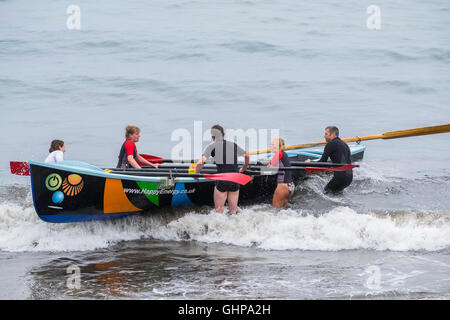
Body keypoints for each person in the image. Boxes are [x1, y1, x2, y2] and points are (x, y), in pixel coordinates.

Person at [195, 124, 250, 214]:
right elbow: (247, 156)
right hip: (235, 179)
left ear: (212, 137)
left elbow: (200, 162)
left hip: (223, 179)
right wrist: (244, 167)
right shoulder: (233, 145)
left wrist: (196, 175)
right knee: (233, 213)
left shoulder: (212, 147)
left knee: (219, 213)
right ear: (223, 134)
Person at [306, 126, 353, 193]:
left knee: (326, 193)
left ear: (333, 134)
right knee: (336, 194)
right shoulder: (344, 144)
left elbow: (322, 163)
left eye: (326, 134)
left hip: (341, 177)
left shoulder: (331, 144)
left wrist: (310, 162)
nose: (324, 136)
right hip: (349, 177)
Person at [268, 138, 295, 207]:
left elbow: (269, 168)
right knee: (283, 211)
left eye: (272, 144)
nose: (270, 146)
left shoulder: (277, 155)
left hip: (282, 186)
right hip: (290, 186)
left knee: (275, 210)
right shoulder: (284, 154)